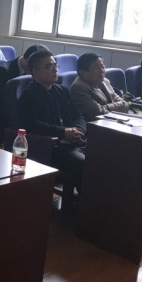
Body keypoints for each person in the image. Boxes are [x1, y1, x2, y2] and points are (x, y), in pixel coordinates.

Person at [17, 50, 86, 189]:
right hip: (50, 147)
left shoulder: (62, 91)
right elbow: (31, 124)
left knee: (103, 157)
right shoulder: (30, 94)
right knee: (84, 164)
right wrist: (63, 133)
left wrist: (79, 131)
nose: (55, 69)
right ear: (36, 72)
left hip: (74, 141)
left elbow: (78, 116)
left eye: (55, 65)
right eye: (49, 67)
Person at [70, 53, 130, 121]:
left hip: (111, 121)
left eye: (103, 67)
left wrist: (104, 107)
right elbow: (98, 113)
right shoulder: (78, 87)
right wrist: (116, 105)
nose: (101, 71)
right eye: (96, 68)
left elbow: (125, 105)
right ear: (82, 72)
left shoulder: (105, 81)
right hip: (94, 125)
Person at [0, 44, 49, 109]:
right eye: (38, 66)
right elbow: (1, 100)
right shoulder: (4, 71)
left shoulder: (37, 70)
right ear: (29, 62)